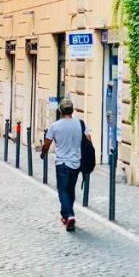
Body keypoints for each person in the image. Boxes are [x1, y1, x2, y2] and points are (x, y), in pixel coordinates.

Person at [41, 98, 83, 231]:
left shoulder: (55, 126)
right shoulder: (80, 124)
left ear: (60, 110)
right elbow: (88, 141)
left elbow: (47, 143)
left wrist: (43, 153)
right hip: (76, 163)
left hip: (62, 163)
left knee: (63, 191)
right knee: (70, 190)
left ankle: (69, 215)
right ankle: (66, 216)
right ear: (73, 110)